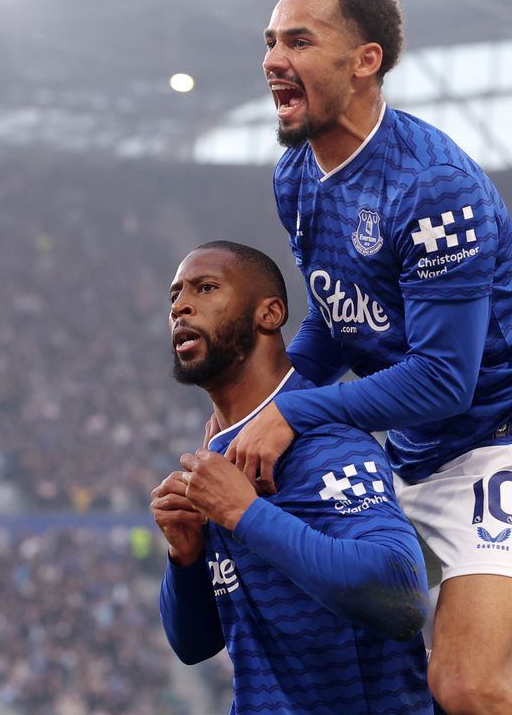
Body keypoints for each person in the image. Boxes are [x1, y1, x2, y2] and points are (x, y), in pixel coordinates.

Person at [224, 0, 512, 714]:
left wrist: (290, 414)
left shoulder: (432, 187)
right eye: (270, 41)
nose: (272, 59)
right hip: (411, 457)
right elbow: (337, 319)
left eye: (298, 40)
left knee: (465, 683)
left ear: (365, 62)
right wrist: (253, 411)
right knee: (313, 598)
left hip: (507, 442)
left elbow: (442, 381)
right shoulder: (296, 175)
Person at [152, 241, 434, 715]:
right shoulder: (222, 455)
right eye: (175, 296)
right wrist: (186, 557)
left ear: (271, 313)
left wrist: (244, 513)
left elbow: (400, 595)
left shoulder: (325, 441)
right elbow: (194, 644)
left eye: (205, 288)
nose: (180, 306)